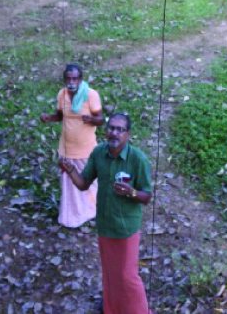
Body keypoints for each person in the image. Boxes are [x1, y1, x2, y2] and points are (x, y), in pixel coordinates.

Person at [59, 113, 153, 314]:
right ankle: (113, 309)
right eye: (111, 128)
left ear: (128, 134)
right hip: (105, 224)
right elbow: (83, 184)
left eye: (120, 130)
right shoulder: (98, 153)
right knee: (110, 273)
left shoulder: (138, 160)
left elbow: (147, 196)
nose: (114, 133)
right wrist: (70, 169)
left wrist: (132, 192)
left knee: (128, 276)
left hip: (126, 228)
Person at [39, 64, 105, 228]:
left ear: (81, 79)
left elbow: (101, 120)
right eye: (68, 78)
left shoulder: (91, 95)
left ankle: (93, 209)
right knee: (71, 187)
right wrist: (49, 117)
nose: (71, 81)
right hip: (67, 149)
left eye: (75, 78)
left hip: (86, 149)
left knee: (89, 182)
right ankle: (74, 216)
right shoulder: (62, 95)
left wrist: (92, 120)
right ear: (64, 80)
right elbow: (60, 116)